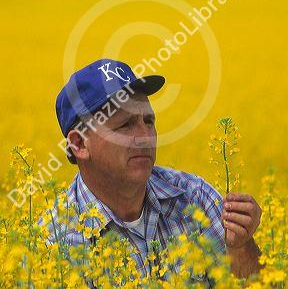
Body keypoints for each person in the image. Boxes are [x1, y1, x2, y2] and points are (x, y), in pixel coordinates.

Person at [44, 58, 262, 283]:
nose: (146, 137)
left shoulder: (195, 197)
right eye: (125, 125)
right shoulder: (53, 245)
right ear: (79, 144)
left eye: (148, 121)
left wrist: (242, 248)